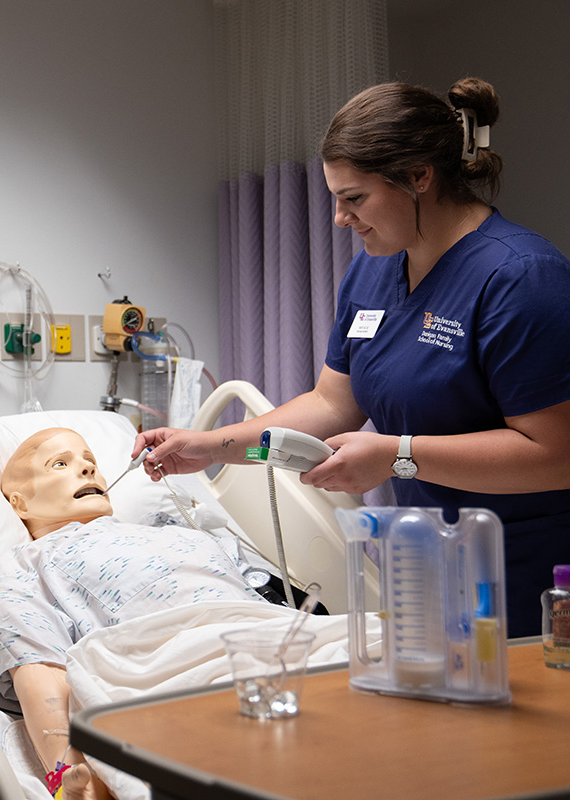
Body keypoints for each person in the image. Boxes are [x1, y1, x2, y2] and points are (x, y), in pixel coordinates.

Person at [133, 77, 570, 640]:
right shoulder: (374, 268)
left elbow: (555, 453)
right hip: (432, 569)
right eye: (335, 198)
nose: (340, 219)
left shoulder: (520, 277)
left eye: (354, 198)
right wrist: (210, 446)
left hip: (532, 580)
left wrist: (397, 456)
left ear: (420, 176)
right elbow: (332, 402)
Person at [0, 428, 273, 800]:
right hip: (181, 671)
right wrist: (67, 771)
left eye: (90, 462)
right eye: (60, 464)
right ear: (20, 505)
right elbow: (38, 668)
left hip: (281, 648)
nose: (87, 471)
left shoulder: (179, 530)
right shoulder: (24, 567)